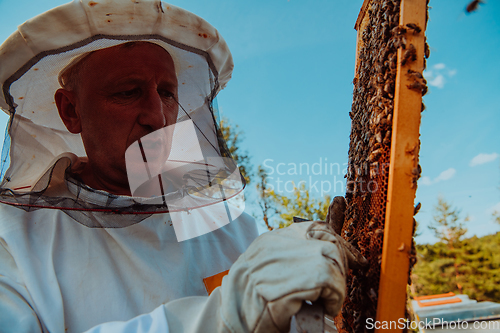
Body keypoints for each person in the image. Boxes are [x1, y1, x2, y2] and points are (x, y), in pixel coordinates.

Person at [0, 1, 363, 332]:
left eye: (167, 93)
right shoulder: (13, 238)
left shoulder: (220, 221)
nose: (157, 117)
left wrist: (309, 298)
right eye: (128, 92)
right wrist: (228, 315)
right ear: (71, 111)